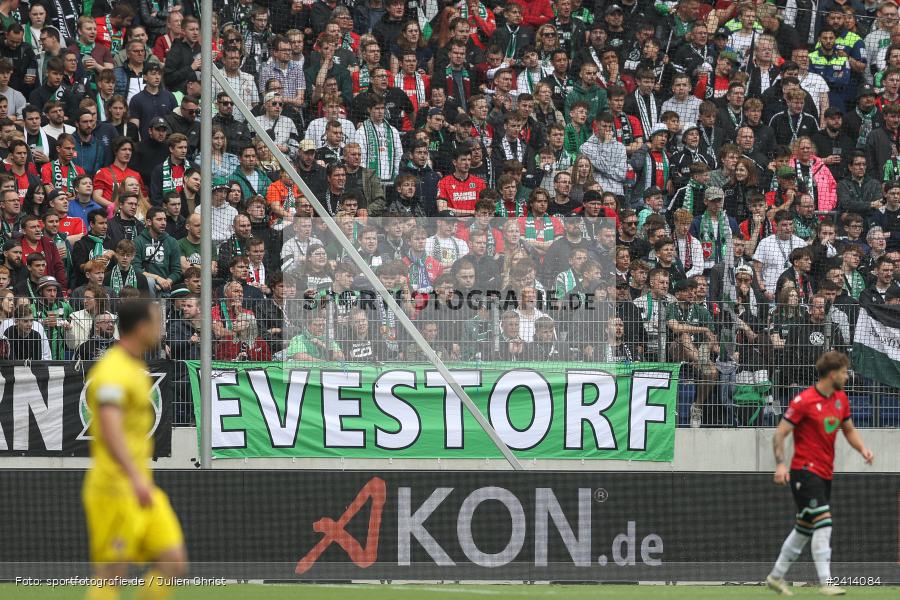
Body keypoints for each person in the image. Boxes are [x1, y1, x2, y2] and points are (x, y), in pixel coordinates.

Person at [82, 298, 188, 599]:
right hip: (114, 487)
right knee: (112, 574)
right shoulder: (112, 370)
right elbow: (109, 425)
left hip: (140, 485)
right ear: (142, 328)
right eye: (157, 321)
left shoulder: (134, 367)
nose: (161, 327)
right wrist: (135, 475)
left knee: (173, 561)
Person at [766, 351, 873, 597]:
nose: (847, 377)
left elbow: (849, 430)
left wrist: (863, 449)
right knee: (823, 523)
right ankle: (826, 582)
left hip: (825, 473)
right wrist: (781, 464)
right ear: (833, 374)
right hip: (804, 471)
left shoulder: (840, 400)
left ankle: (776, 576)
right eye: (845, 373)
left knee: (804, 528)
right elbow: (780, 433)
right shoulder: (803, 400)